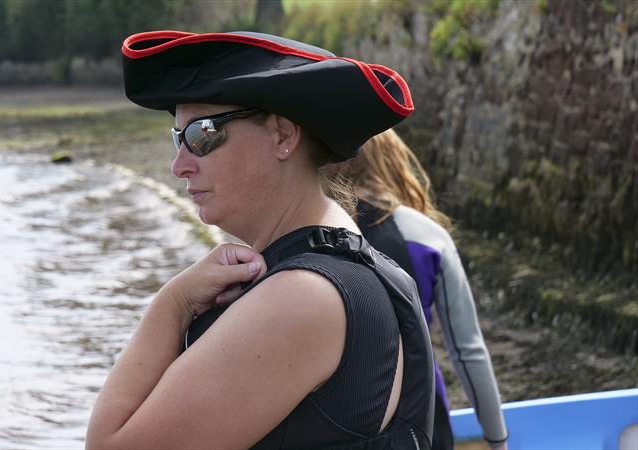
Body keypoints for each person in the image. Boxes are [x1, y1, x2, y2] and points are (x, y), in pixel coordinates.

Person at [85, 31, 435, 449]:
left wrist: (172, 304)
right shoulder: (354, 270)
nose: (179, 165)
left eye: (201, 135)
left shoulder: (302, 296)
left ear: (283, 136)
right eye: (178, 139)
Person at [331, 129, 509, 449]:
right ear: (393, 161)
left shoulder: (308, 230)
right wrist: (497, 440)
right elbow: (468, 350)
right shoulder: (425, 233)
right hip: (423, 420)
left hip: (335, 421)